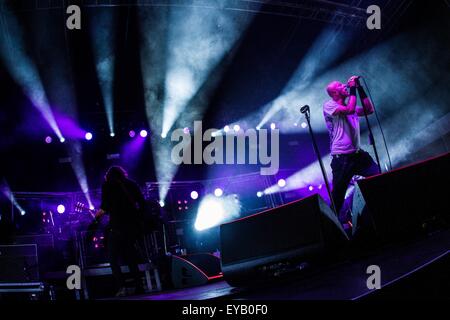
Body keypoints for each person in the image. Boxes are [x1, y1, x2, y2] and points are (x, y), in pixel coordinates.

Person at [323, 76, 380, 222]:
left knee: (379, 179)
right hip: (342, 159)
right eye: (341, 86)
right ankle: (331, 227)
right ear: (335, 93)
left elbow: (369, 109)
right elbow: (349, 110)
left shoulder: (351, 106)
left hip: (357, 155)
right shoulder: (329, 106)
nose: (345, 86)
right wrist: (353, 88)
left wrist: (359, 88)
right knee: (338, 198)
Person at [95, 166, 146, 297]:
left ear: (109, 175)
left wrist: (97, 214)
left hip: (117, 227)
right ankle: (139, 286)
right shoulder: (131, 184)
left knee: (113, 258)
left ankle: (122, 287)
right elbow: (142, 202)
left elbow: (105, 207)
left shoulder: (107, 185)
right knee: (130, 257)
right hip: (132, 227)